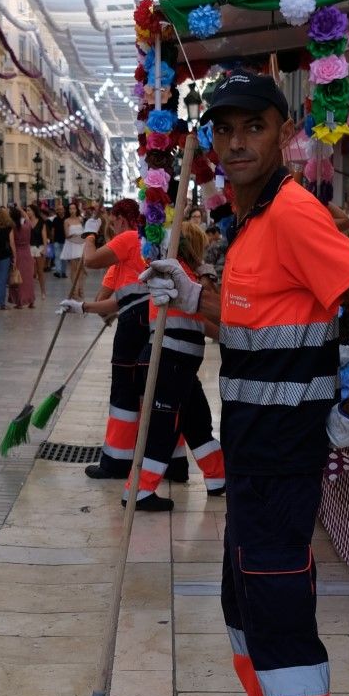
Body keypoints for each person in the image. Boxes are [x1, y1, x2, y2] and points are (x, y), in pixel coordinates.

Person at [144, 72, 349, 696]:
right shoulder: (250, 223)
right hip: (254, 463)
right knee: (244, 613)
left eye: (252, 127)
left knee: (282, 632)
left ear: (283, 134)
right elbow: (257, 323)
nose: (235, 144)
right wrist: (195, 295)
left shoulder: (292, 213)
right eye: (222, 131)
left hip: (285, 462)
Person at [72, 219, 225, 511]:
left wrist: (85, 307)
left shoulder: (185, 275)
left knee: (197, 422)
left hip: (179, 363)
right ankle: (139, 491)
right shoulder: (172, 275)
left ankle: (218, 476)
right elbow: (122, 298)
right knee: (162, 428)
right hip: (169, 358)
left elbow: (203, 322)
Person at [80, 198, 151, 480]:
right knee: (145, 391)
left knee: (124, 391)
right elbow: (104, 295)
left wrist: (89, 234)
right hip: (147, 319)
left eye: (113, 221)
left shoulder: (128, 238)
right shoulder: (140, 243)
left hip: (134, 321)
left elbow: (90, 259)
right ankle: (158, 457)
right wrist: (98, 309)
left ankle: (117, 462)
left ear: (121, 218)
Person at [10, 206, 38, 309]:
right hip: (27, 252)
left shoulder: (12, 227)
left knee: (19, 278)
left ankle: (19, 302)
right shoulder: (27, 225)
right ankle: (31, 301)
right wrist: (21, 210)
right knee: (28, 278)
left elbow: (12, 243)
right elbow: (27, 218)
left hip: (17, 253)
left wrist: (13, 257)